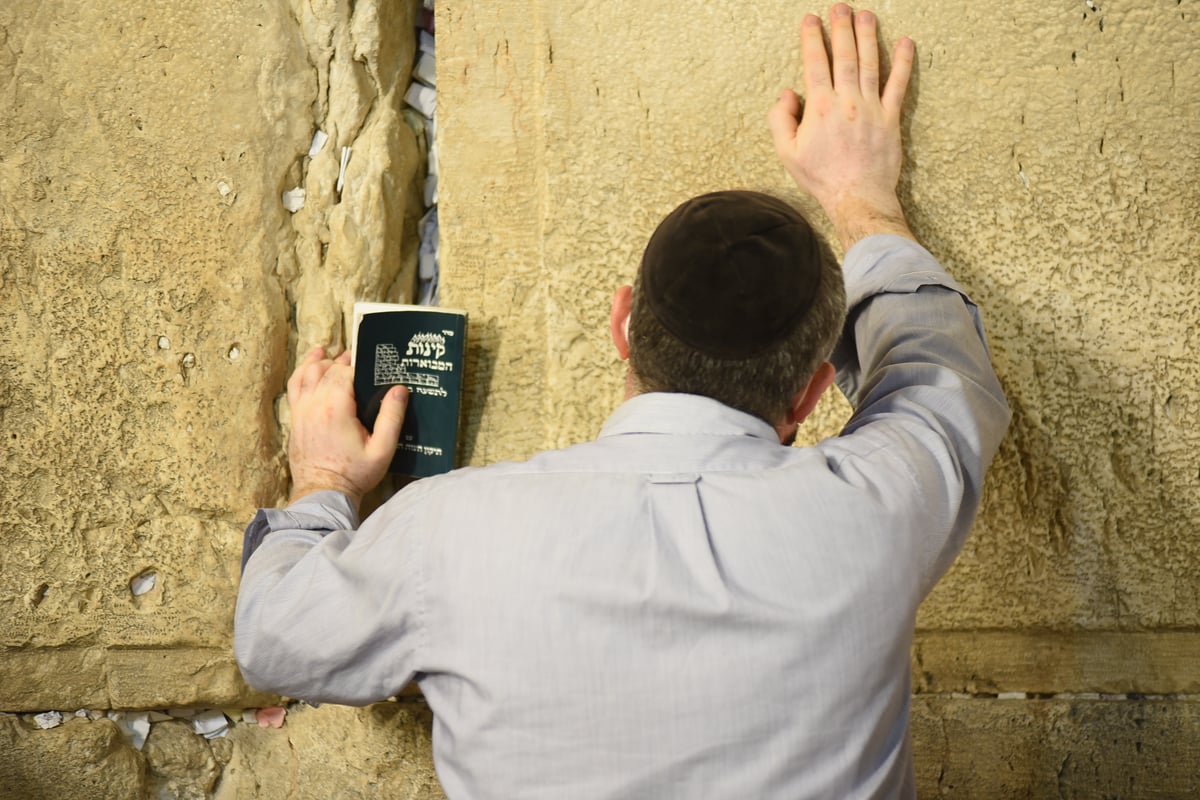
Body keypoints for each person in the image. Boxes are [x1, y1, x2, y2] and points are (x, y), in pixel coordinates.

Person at [234, 4, 1010, 798]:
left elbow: (274, 638)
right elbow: (938, 369)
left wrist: (324, 478)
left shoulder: (450, 533)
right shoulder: (880, 513)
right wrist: (861, 197)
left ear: (622, 325)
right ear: (813, 391)